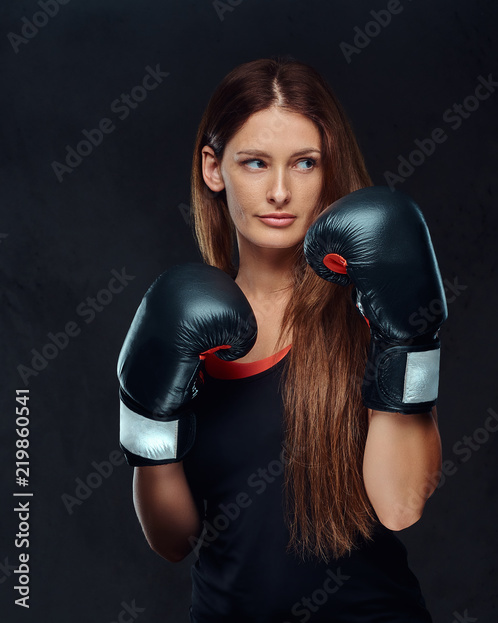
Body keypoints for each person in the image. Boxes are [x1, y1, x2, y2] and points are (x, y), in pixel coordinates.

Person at [115, 56, 447, 622]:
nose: (279, 191)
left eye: (304, 163)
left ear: (327, 169)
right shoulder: (182, 325)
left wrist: (407, 341)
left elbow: (400, 505)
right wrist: (146, 421)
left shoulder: (369, 306)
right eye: (255, 163)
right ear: (214, 169)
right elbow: (172, 541)